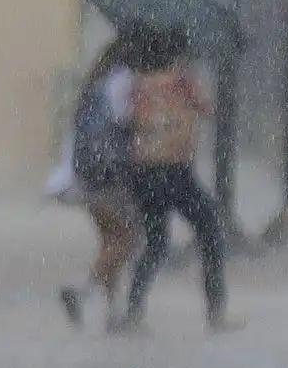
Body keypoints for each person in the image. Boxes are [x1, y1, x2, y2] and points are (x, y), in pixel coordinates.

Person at [108, 28, 242, 334]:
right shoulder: (182, 79)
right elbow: (210, 109)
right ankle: (215, 311)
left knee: (156, 243)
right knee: (209, 230)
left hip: (143, 172)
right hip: (173, 170)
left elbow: (126, 120)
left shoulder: (138, 83)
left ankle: (133, 310)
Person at [57, 34, 144, 329]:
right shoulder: (123, 81)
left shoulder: (95, 84)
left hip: (88, 171)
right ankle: (81, 291)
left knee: (110, 242)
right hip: (109, 172)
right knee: (128, 238)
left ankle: (112, 313)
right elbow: (125, 119)